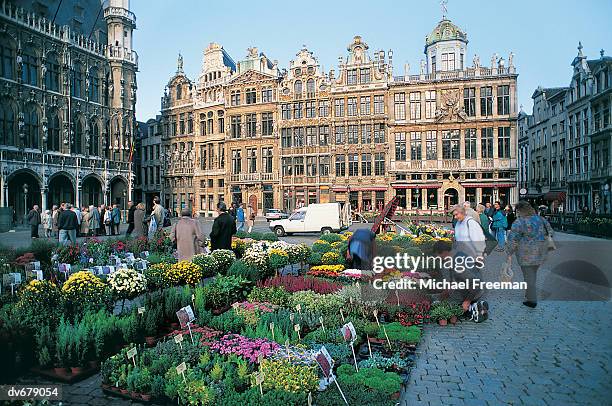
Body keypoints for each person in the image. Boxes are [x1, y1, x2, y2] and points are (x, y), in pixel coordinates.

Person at [506, 201, 554, 308]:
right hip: (540, 252)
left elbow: (513, 238)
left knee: (528, 275)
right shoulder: (541, 219)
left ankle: (532, 299)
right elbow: (551, 232)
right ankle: (529, 293)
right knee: (532, 273)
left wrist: (509, 252)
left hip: (526, 253)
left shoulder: (519, 222)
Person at [432, 240, 489, 321]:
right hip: (471, 288)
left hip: (474, 291)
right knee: (442, 299)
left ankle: (473, 308)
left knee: (446, 306)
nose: (438, 258)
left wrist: (467, 301)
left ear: (444, 252)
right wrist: (445, 292)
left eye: (438, 255)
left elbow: (474, 284)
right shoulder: (458, 254)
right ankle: (474, 306)